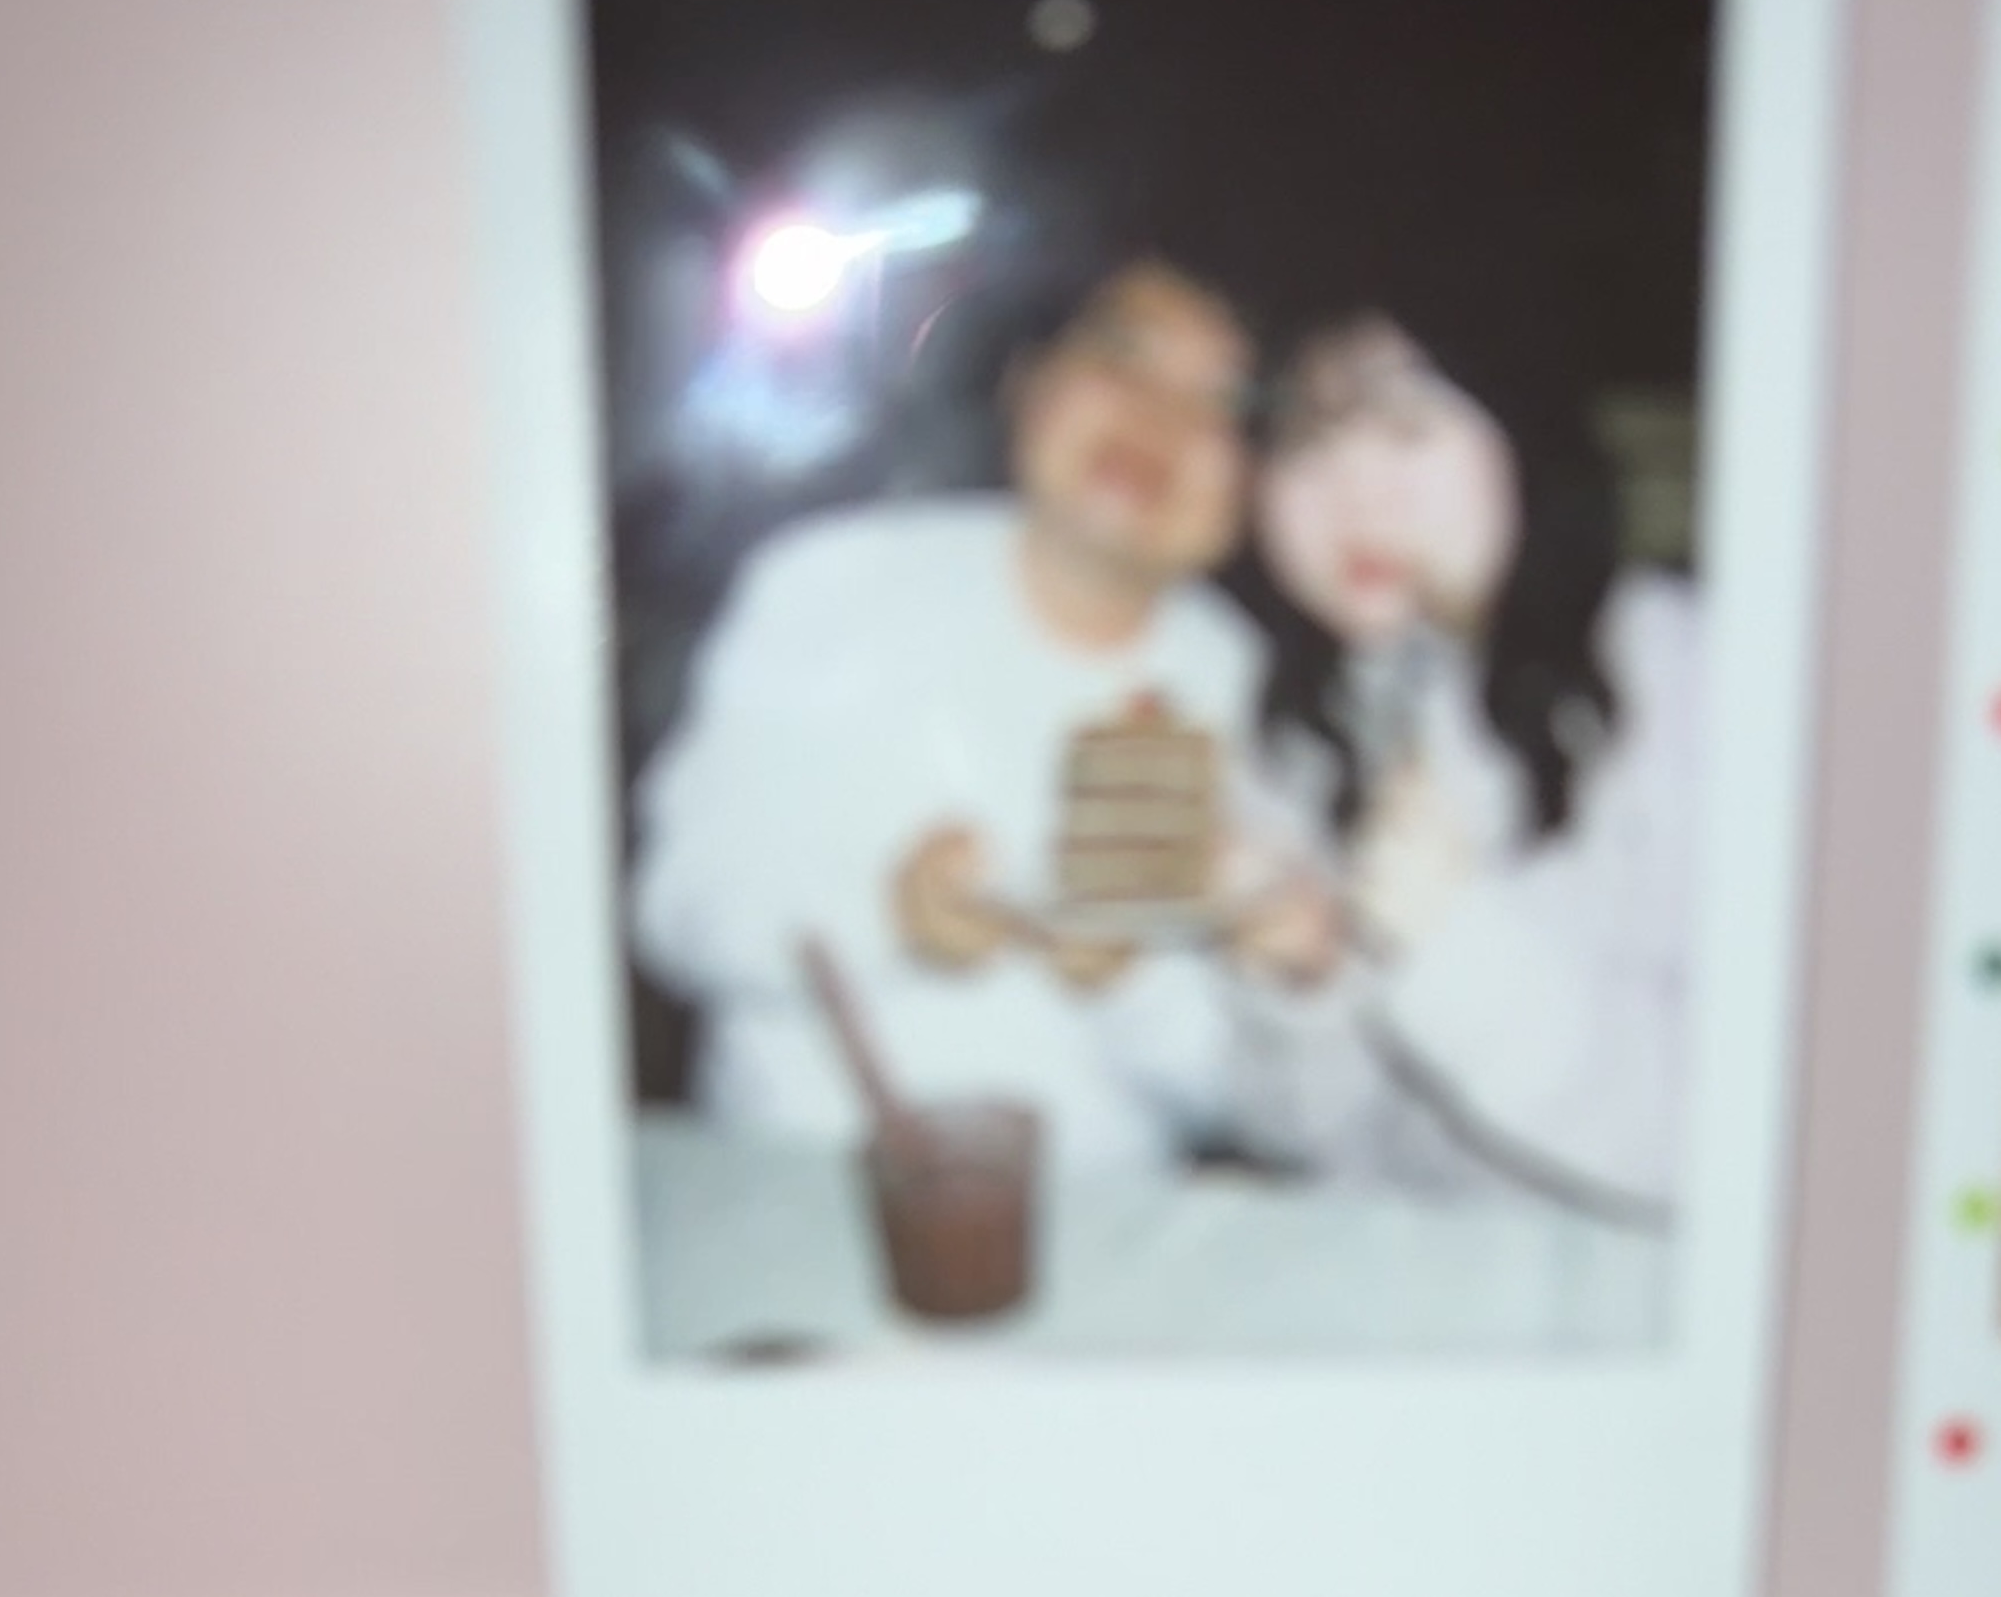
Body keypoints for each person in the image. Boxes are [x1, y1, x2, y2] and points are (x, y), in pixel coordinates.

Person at [632, 256, 1328, 1178]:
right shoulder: (830, 585)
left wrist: (1128, 980)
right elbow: (677, 907)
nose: (1158, 418)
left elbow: (1254, 1099)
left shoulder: (1257, 698)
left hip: (1102, 1205)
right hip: (795, 1179)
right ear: (1028, 383)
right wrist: (891, 913)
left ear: (1258, 487)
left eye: (1218, 406)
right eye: (1123, 358)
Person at [1224, 314, 1702, 1216]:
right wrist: (1303, 981)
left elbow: (1746, 1137)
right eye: (1305, 441)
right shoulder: (1310, 728)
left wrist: (1449, 942)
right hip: (1425, 1273)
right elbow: (1322, 1150)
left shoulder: (1687, 671)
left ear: (1523, 437)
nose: (1356, 496)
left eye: (1407, 428)